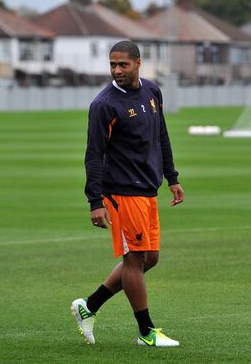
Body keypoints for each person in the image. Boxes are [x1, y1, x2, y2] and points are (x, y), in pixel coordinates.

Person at [71, 41, 184, 347]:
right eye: (112, 65)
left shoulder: (151, 92)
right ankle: (146, 333)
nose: (117, 71)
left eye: (123, 64)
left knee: (150, 259)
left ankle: (89, 306)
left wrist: (171, 177)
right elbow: (94, 154)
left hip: (148, 189)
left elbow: (161, 135)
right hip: (121, 191)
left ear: (138, 63)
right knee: (134, 260)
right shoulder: (104, 104)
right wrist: (95, 201)